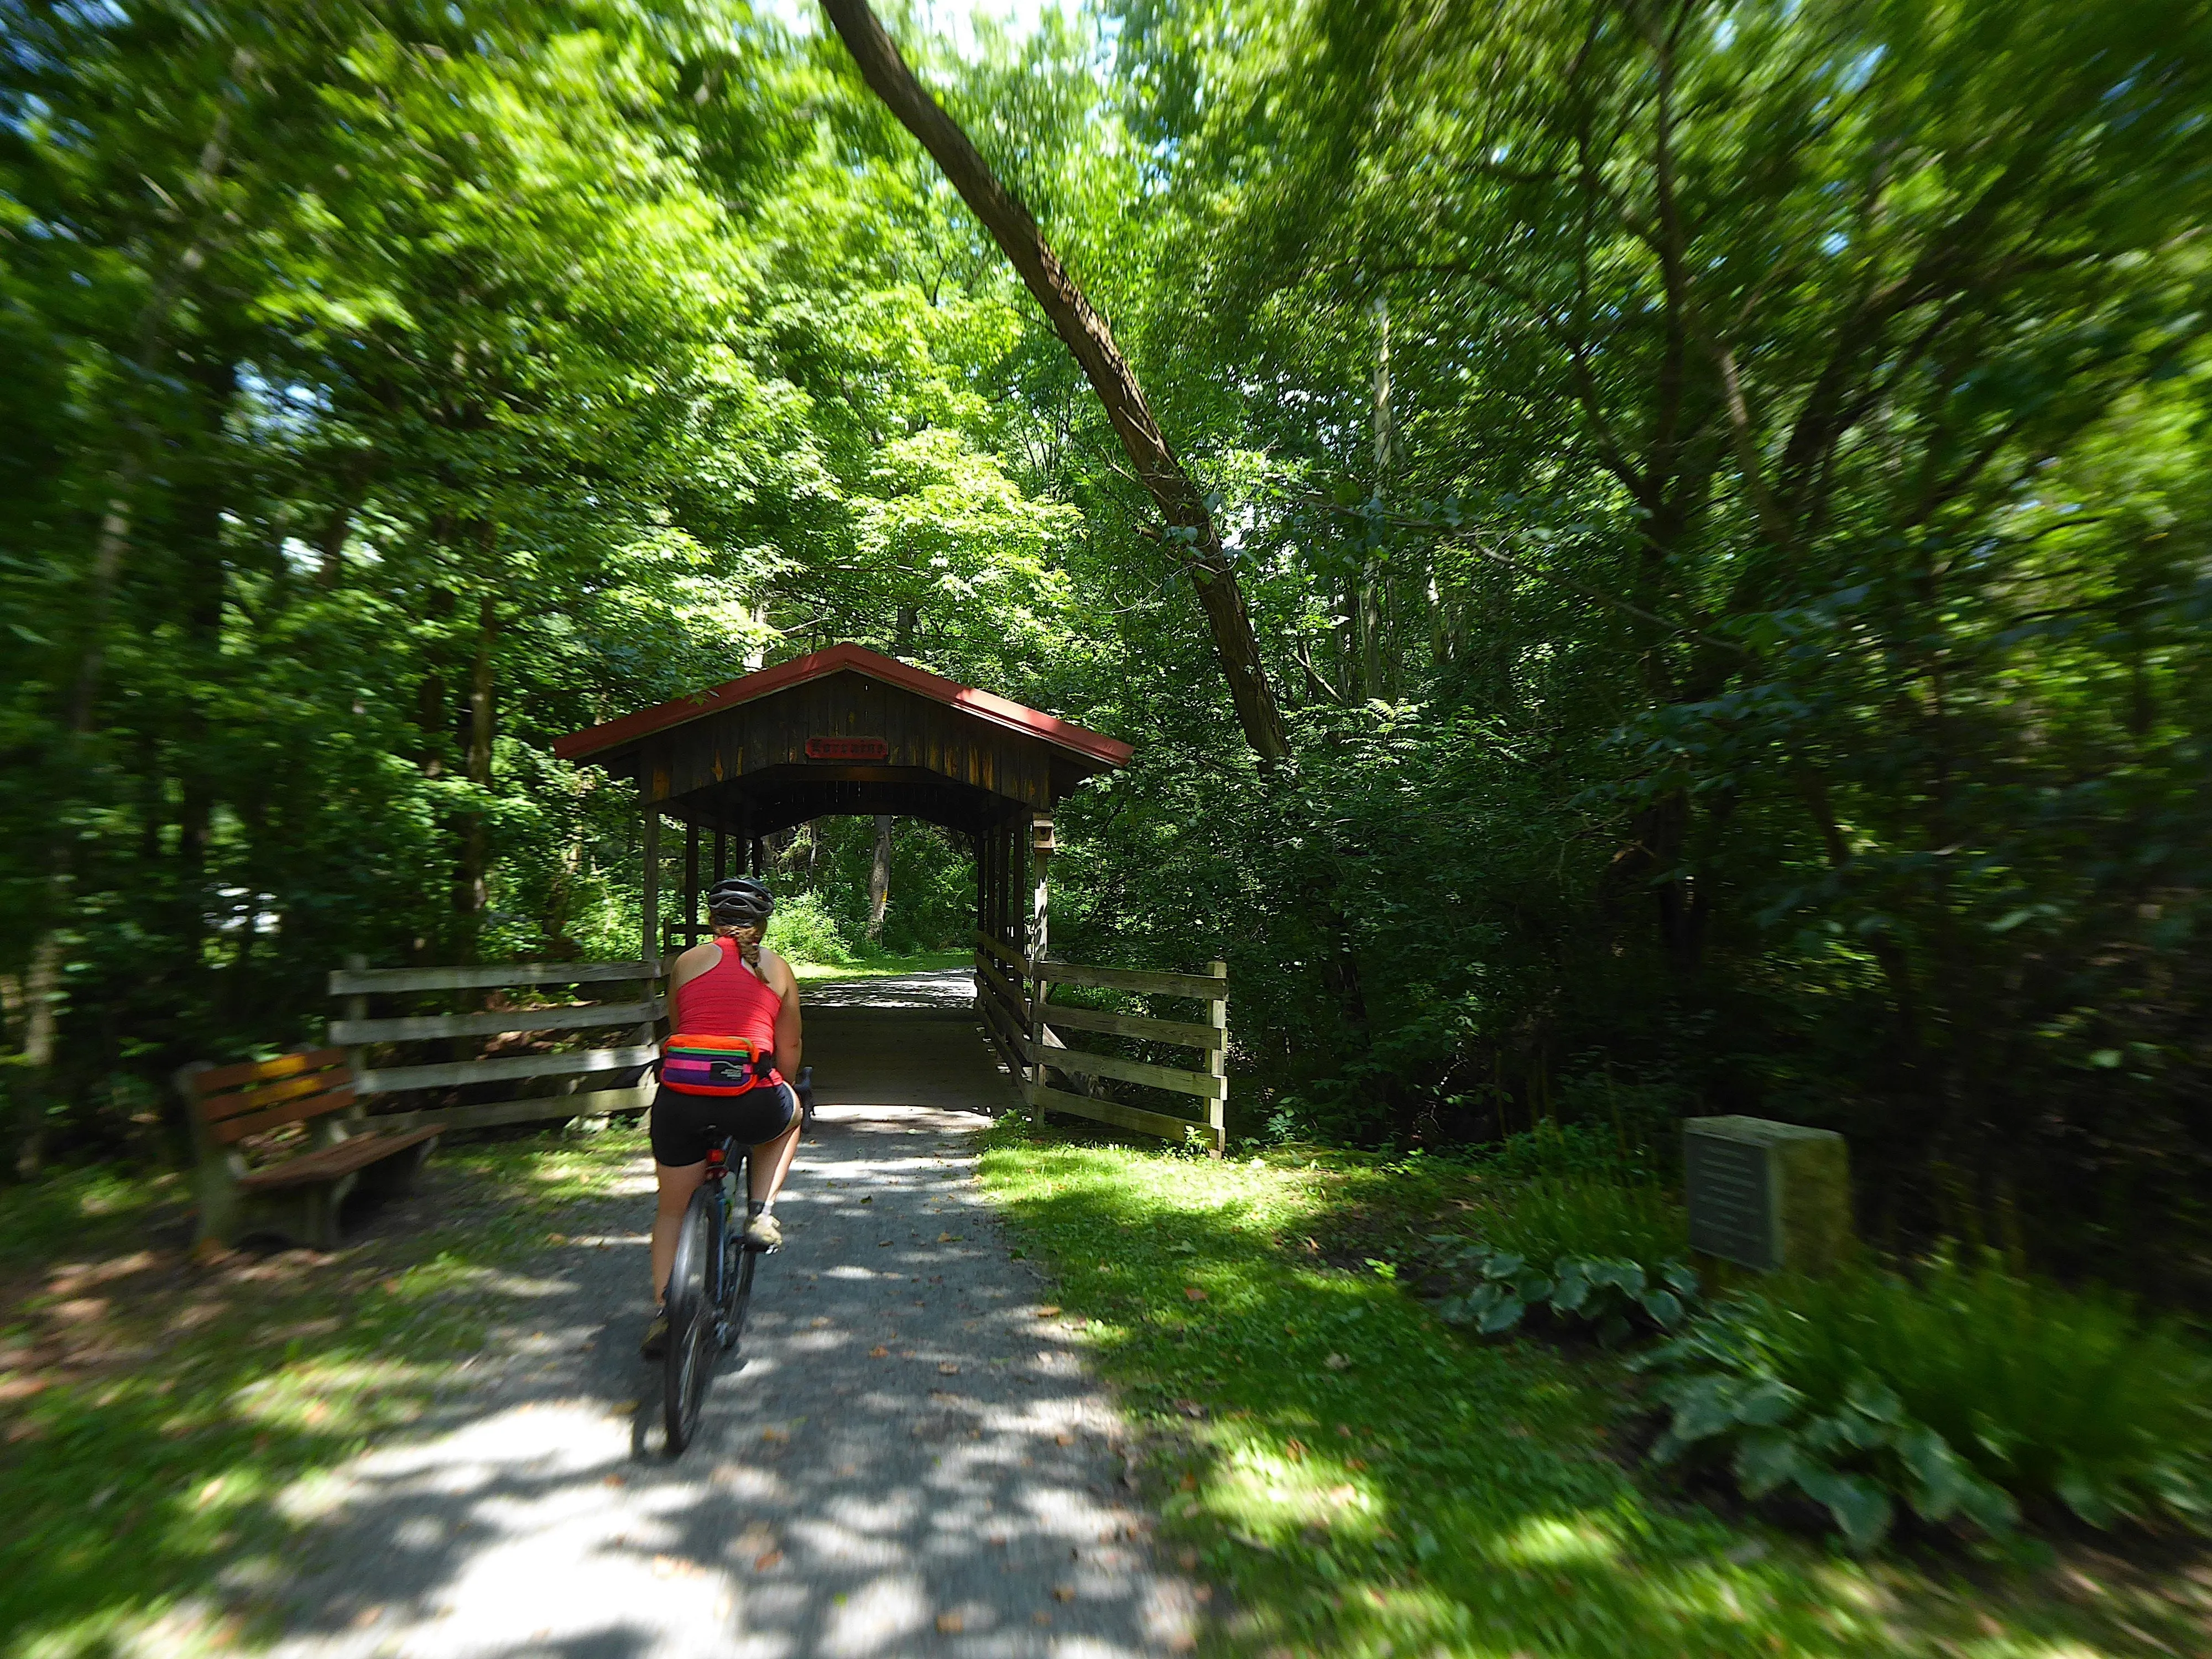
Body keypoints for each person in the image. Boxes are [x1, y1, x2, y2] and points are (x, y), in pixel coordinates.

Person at [639, 874, 804, 1359]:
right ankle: (760, 1214)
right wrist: (788, 1084)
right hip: (750, 1096)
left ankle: (666, 1315)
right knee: (790, 1116)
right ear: (763, 925)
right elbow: (788, 1047)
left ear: (713, 921)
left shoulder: (686, 962)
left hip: (680, 1099)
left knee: (671, 1210)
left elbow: (678, 1026)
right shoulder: (778, 969)